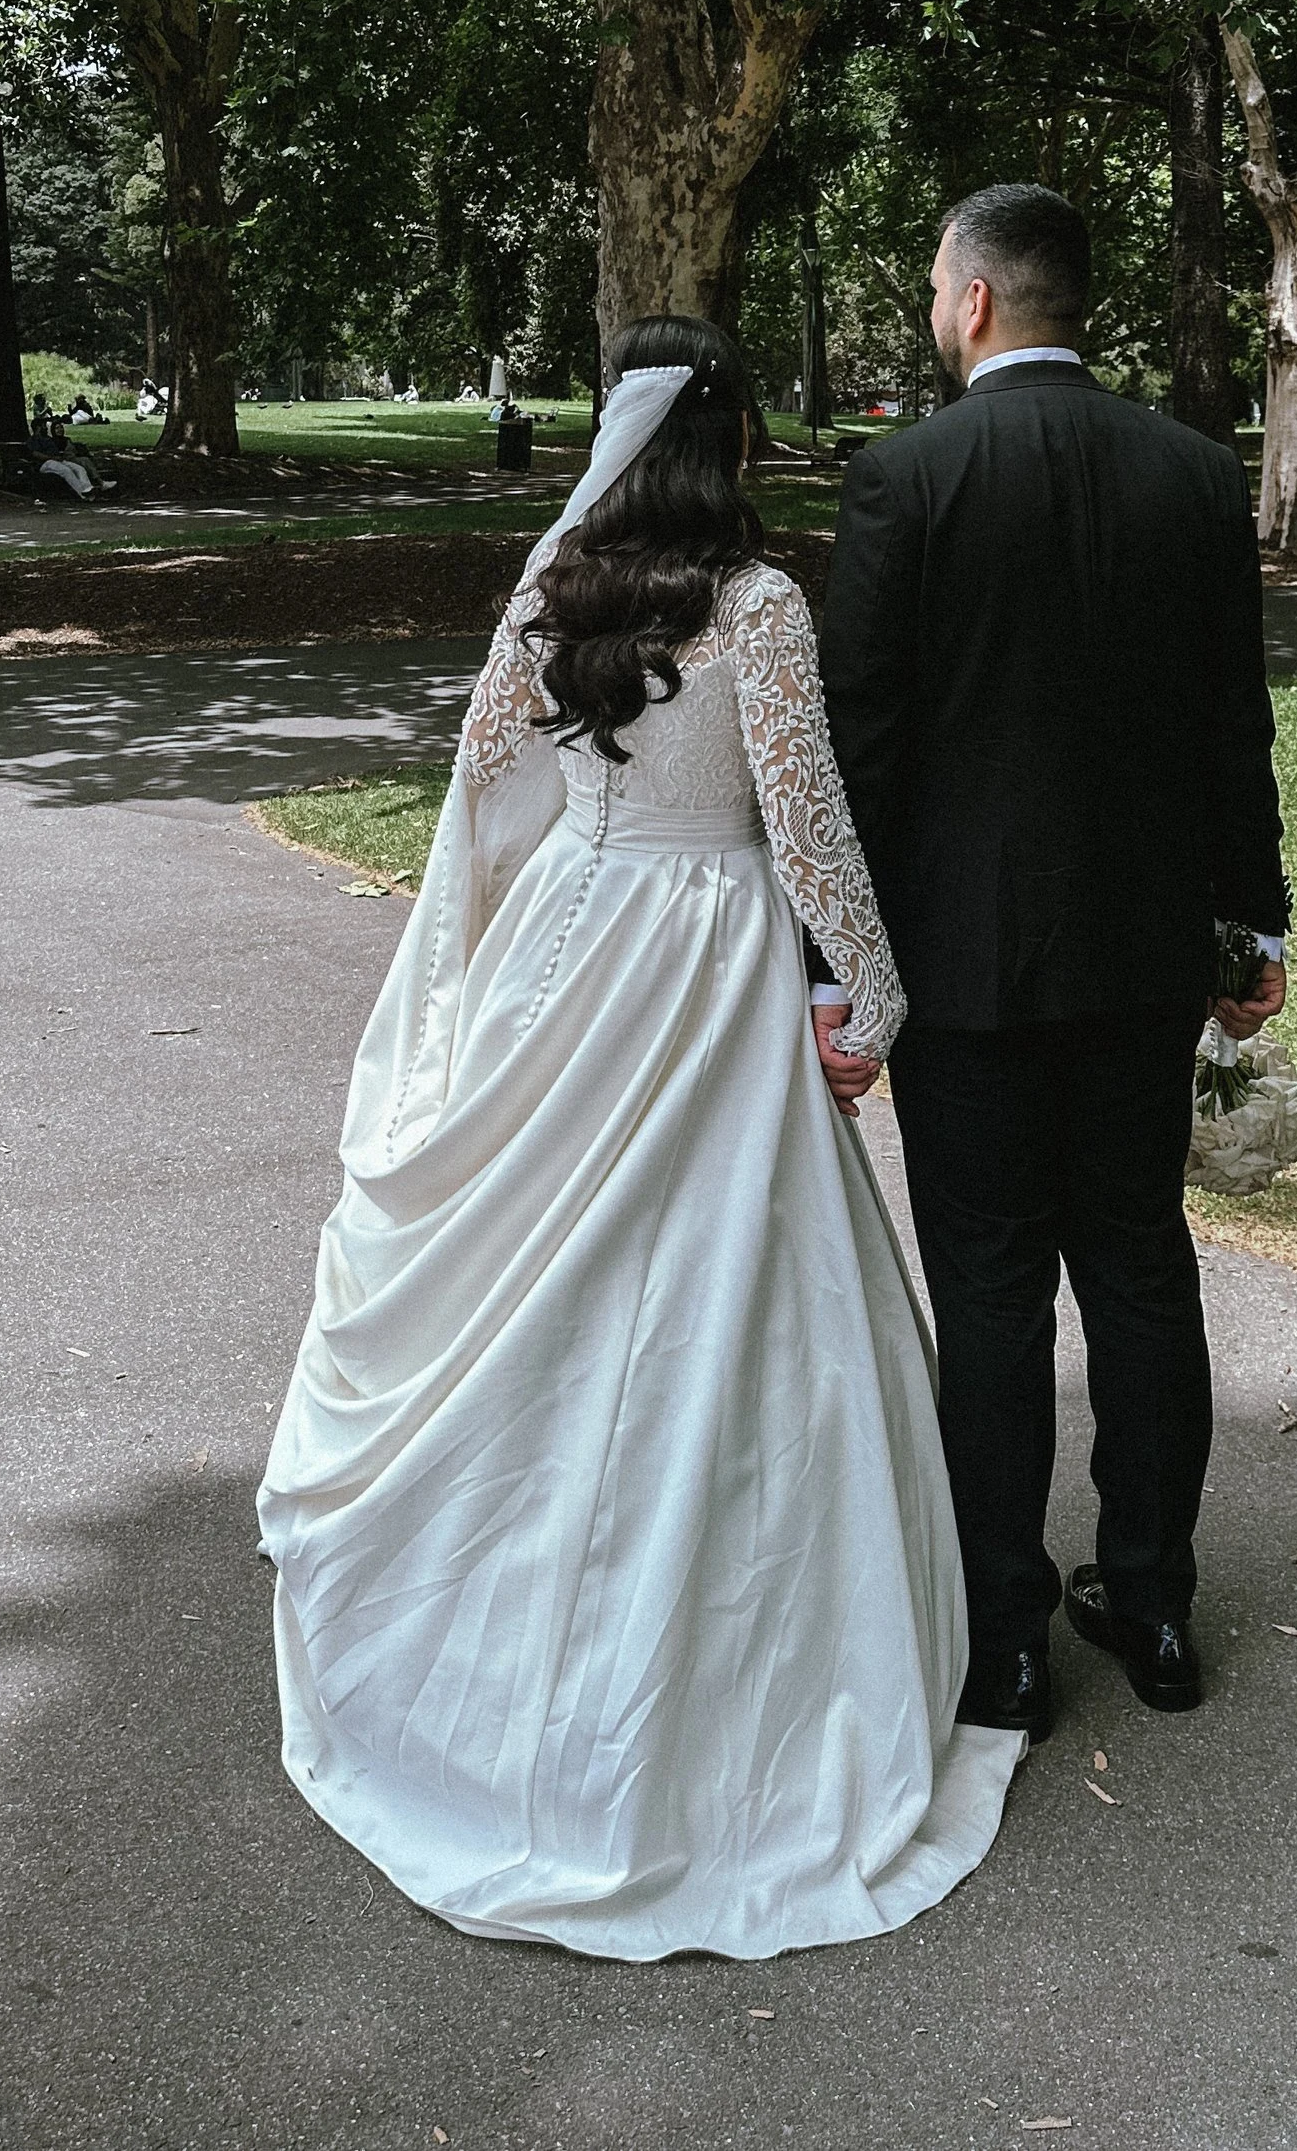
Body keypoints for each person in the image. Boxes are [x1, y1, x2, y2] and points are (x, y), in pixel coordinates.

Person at [259, 317, 1020, 1959]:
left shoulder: (553, 594)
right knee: (716, 1286)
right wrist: (869, 997)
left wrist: (490, 966)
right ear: (733, 442)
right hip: (710, 953)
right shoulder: (758, 604)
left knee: (547, 1282)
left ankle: (488, 1666)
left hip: (573, 938)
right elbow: (806, 819)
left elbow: (492, 801)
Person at [819, 185, 1288, 1742]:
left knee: (995, 1295)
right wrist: (1251, 926)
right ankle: (1154, 1608)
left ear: (971, 305)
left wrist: (843, 970)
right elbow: (1235, 724)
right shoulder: (1196, 476)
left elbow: (859, 753)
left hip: (965, 970)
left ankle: (1008, 1636)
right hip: (1149, 955)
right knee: (1143, 1275)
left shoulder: (905, 479)